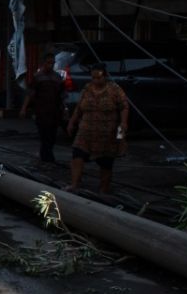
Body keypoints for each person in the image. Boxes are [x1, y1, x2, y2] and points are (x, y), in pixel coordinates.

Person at [66, 62, 129, 194]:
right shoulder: (87, 88)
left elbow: (124, 107)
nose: (96, 80)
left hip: (107, 133)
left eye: (99, 77)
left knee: (106, 162)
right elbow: (79, 107)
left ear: (105, 76)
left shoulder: (114, 89)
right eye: (93, 77)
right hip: (86, 131)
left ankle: (103, 189)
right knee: (77, 154)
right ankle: (74, 184)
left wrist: (123, 125)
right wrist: (72, 121)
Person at [20, 52, 66, 163]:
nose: (50, 65)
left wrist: (64, 110)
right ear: (44, 63)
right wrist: (24, 108)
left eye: (52, 63)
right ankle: (47, 157)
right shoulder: (38, 77)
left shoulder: (57, 78)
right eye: (48, 63)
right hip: (41, 112)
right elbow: (30, 93)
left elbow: (62, 95)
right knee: (44, 135)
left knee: (52, 136)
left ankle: (47, 155)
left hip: (54, 112)